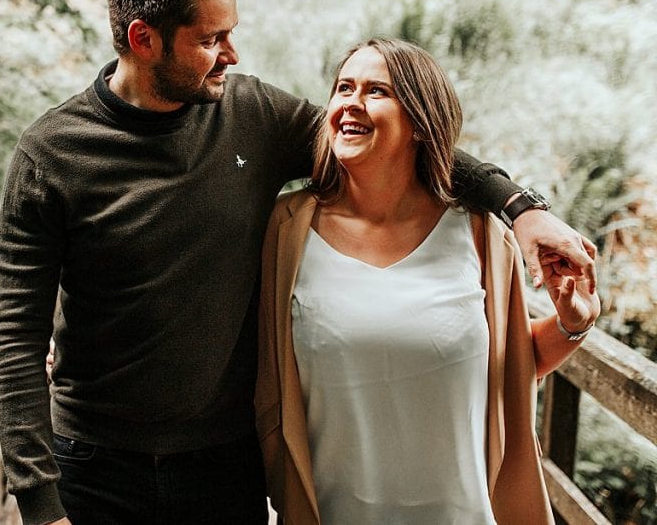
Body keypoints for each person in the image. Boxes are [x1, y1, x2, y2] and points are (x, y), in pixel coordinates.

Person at [0, 0, 596, 525]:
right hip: (95, 462)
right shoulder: (52, 154)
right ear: (143, 39)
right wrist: (40, 505)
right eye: (211, 39)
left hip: (225, 462)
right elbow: (16, 339)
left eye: (232, 34)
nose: (231, 54)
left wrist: (522, 209)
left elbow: (402, 149)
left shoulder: (253, 114)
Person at [255, 38, 601, 524]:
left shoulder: (480, 236)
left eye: (376, 91)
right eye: (343, 88)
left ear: (419, 122)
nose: (350, 102)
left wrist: (572, 324)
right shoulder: (286, 232)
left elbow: (509, 364)